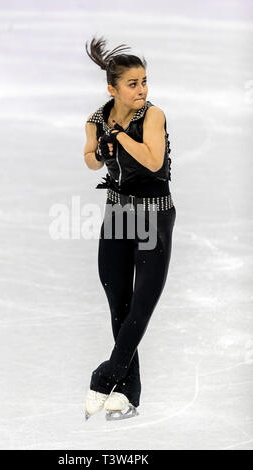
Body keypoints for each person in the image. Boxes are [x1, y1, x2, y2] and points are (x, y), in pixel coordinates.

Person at [83, 36, 176, 421]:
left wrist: (120, 136)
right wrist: (100, 150)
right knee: (118, 302)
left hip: (153, 215)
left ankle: (106, 376)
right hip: (118, 216)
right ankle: (130, 390)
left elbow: (154, 163)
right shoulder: (96, 119)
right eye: (133, 84)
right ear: (113, 88)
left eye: (144, 81)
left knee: (141, 305)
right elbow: (89, 160)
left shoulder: (152, 116)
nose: (142, 90)